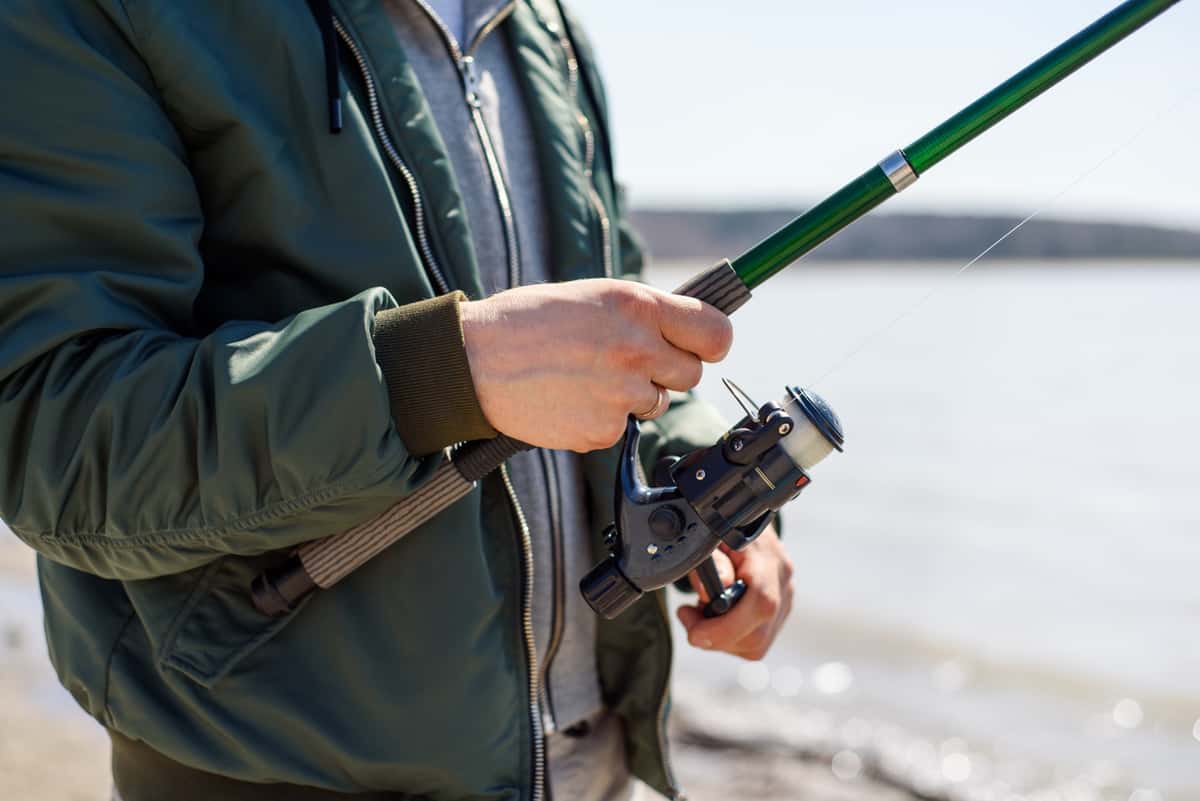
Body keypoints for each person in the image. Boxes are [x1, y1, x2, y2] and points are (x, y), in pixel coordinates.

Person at [0, 1, 795, 799]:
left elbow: (617, 306)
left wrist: (704, 481)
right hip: (268, 768)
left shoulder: (541, 24)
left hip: (591, 768)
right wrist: (442, 373)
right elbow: (56, 437)